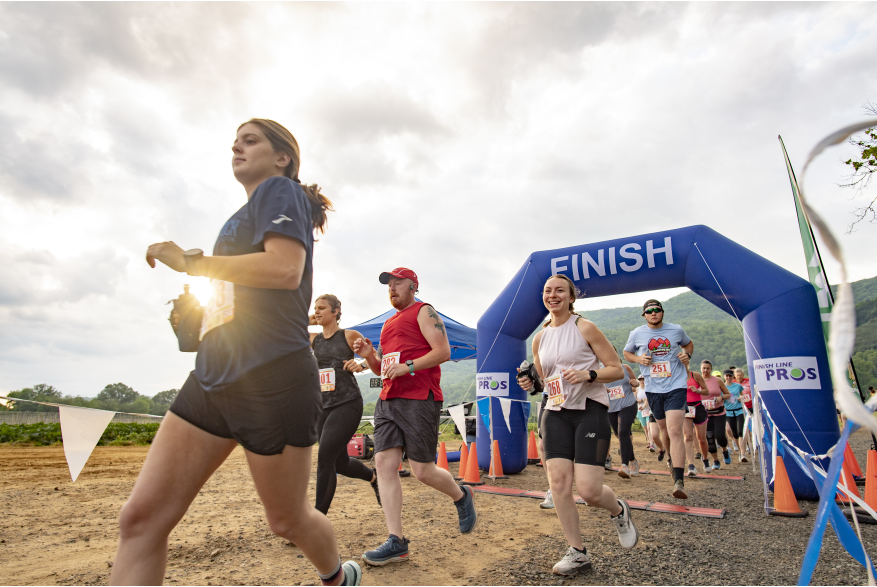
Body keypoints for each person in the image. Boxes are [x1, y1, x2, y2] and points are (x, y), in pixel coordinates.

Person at [117, 119, 361, 586]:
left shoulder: (279, 191)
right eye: (235, 141)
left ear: (283, 157)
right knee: (140, 520)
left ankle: (336, 577)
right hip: (212, 375)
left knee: (287, 522)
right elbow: (242, 296)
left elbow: (285, 270)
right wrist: (197, 317)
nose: (237, 147)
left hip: (271, 377)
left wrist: (191, 262)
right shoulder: (243, 214)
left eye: (250, 140)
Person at [353, 268, 477, 566]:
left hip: (420, 398)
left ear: (414, 286)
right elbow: (382, 368)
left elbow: (443, 351)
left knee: (422, 471)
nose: (392, 288)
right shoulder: (387, 324)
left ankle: (461, 496)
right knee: (384, 462)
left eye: (398, 283)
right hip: (388, 400)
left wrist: (408, 367)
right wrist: (370, 355)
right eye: (389, 285)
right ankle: (396, 541)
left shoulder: (424, 311)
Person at [519, 274, 638, 576]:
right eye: (547, 291)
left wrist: (590, 375)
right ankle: (577, 552)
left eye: (560, 290)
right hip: (555, 411)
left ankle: (618, 509)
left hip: (590, 411)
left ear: (572, 297)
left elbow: (616, 370)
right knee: (558, 483)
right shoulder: (540, 337)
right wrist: (530, 382)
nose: (553, 295)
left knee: (589, 492)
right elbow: (544, 380)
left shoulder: (585, 327)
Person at [309, 294, 381, 514]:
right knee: (339, 463)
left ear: (336, 311)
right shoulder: (314, 339)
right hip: (324, 405)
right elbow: (287, 326)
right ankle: (373, 477)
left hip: (347, 402)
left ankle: (316, 520)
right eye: (315, 308)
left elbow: (374, 358)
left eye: (322, 308)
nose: (318, 311)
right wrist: (310, 319)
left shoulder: (349, 336)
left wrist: (359, 364)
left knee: (325, 459)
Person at [624, 299, 693, 499]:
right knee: (664, 431)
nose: (653, 313)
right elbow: (627, 353)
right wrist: (638, 359)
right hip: (654, 388)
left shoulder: (676, 330)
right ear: (644, 315)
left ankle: (679, 480)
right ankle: (671, 458)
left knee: (674, 430)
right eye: (649, 311)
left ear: (662, 312)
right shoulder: (637, 333)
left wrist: (686, 355)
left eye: (657, 310)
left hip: (676, 385)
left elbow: (688, 345)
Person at [605, 350, 641, 479]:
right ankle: (633, 461)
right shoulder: (600, 370)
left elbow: (635, 383)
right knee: (619, 435)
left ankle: (625, 466)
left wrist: (635, 383)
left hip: (628, 404)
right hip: (611, 408)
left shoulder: (625, 368)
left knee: (623, 432)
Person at [700, 361, 731, 470]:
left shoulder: (717, 381)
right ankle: (716, 461)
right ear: (700, 369)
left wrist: (721, 398)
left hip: (718, 413)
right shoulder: (698, 382)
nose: (705, 371)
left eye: (708, 368)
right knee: (710, 438)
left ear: (711, 369)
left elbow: (728, 394)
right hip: (704, 414)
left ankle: (725, 451)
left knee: (720, 436)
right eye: (704, 368)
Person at [683, 366, 711, 476]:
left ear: (687, 364)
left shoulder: (696, 375)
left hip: (698, 406)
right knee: (688, 436)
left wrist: (698, 390)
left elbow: (706, 391)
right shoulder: (676, 377)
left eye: (684, 363)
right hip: (685, 408)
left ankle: (705, 459)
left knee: (701, 438)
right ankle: (691, 465)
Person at [723, 369, 749, 463]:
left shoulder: (738, 386)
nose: (729, 377)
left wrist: (741, 398)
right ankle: (739, 450)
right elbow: (720, 398)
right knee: (734, 433)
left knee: (740, 431)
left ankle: (743, 454)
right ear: (724, 377)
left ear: (732, 377)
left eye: (730, 376)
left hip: (739, 411)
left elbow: (743, 396)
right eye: (727, 376)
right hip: (728, 412)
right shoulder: (722, 387)